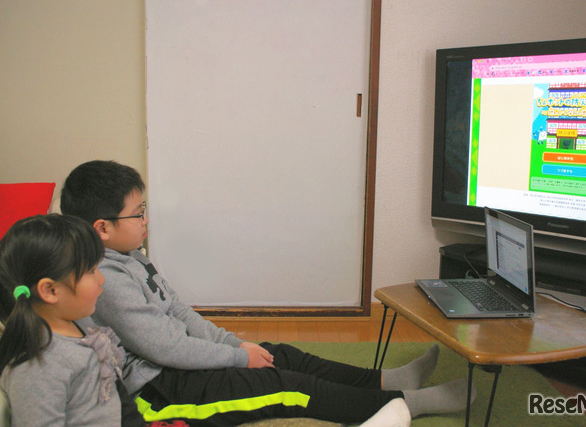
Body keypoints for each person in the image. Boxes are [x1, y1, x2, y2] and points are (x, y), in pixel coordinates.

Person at [60, 160, 474, 426]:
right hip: (160, 392)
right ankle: (407, 402)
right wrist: (238, 358)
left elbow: (179, 314)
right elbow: (166, 348)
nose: (146, 220)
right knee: (287, 385)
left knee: (280, 354)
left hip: (178, 366)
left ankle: (383, 380)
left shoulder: (131, 256)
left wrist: (235, 344)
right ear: (103, 228)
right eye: (138, 213)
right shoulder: (105, 279)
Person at [0, 214, 147, 427]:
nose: (101, 279)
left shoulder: (77, 328)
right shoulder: (39, 367)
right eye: (91, 271)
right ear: (50, 290)